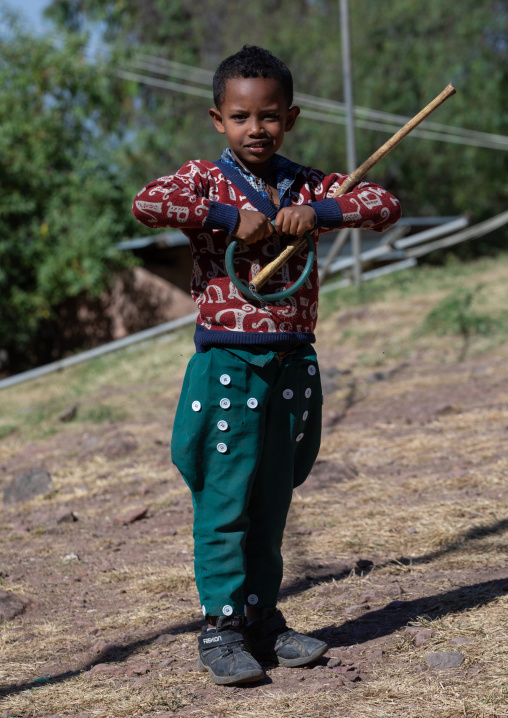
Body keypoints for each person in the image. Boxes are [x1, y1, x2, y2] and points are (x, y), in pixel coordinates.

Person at [132, 45, 401, 686]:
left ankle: (262, 620)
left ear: (291, 117)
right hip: (228, 365)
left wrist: (323, 212)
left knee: (273, 499)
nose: (258, 128)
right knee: (225, 502)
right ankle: (220, 629)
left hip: (291, 368)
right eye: (242, 116)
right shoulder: (205, 180)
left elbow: (384, 206)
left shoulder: (308, 185)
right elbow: (148, 202)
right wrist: (233, 220)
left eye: (271, 116)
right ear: (218, 120)